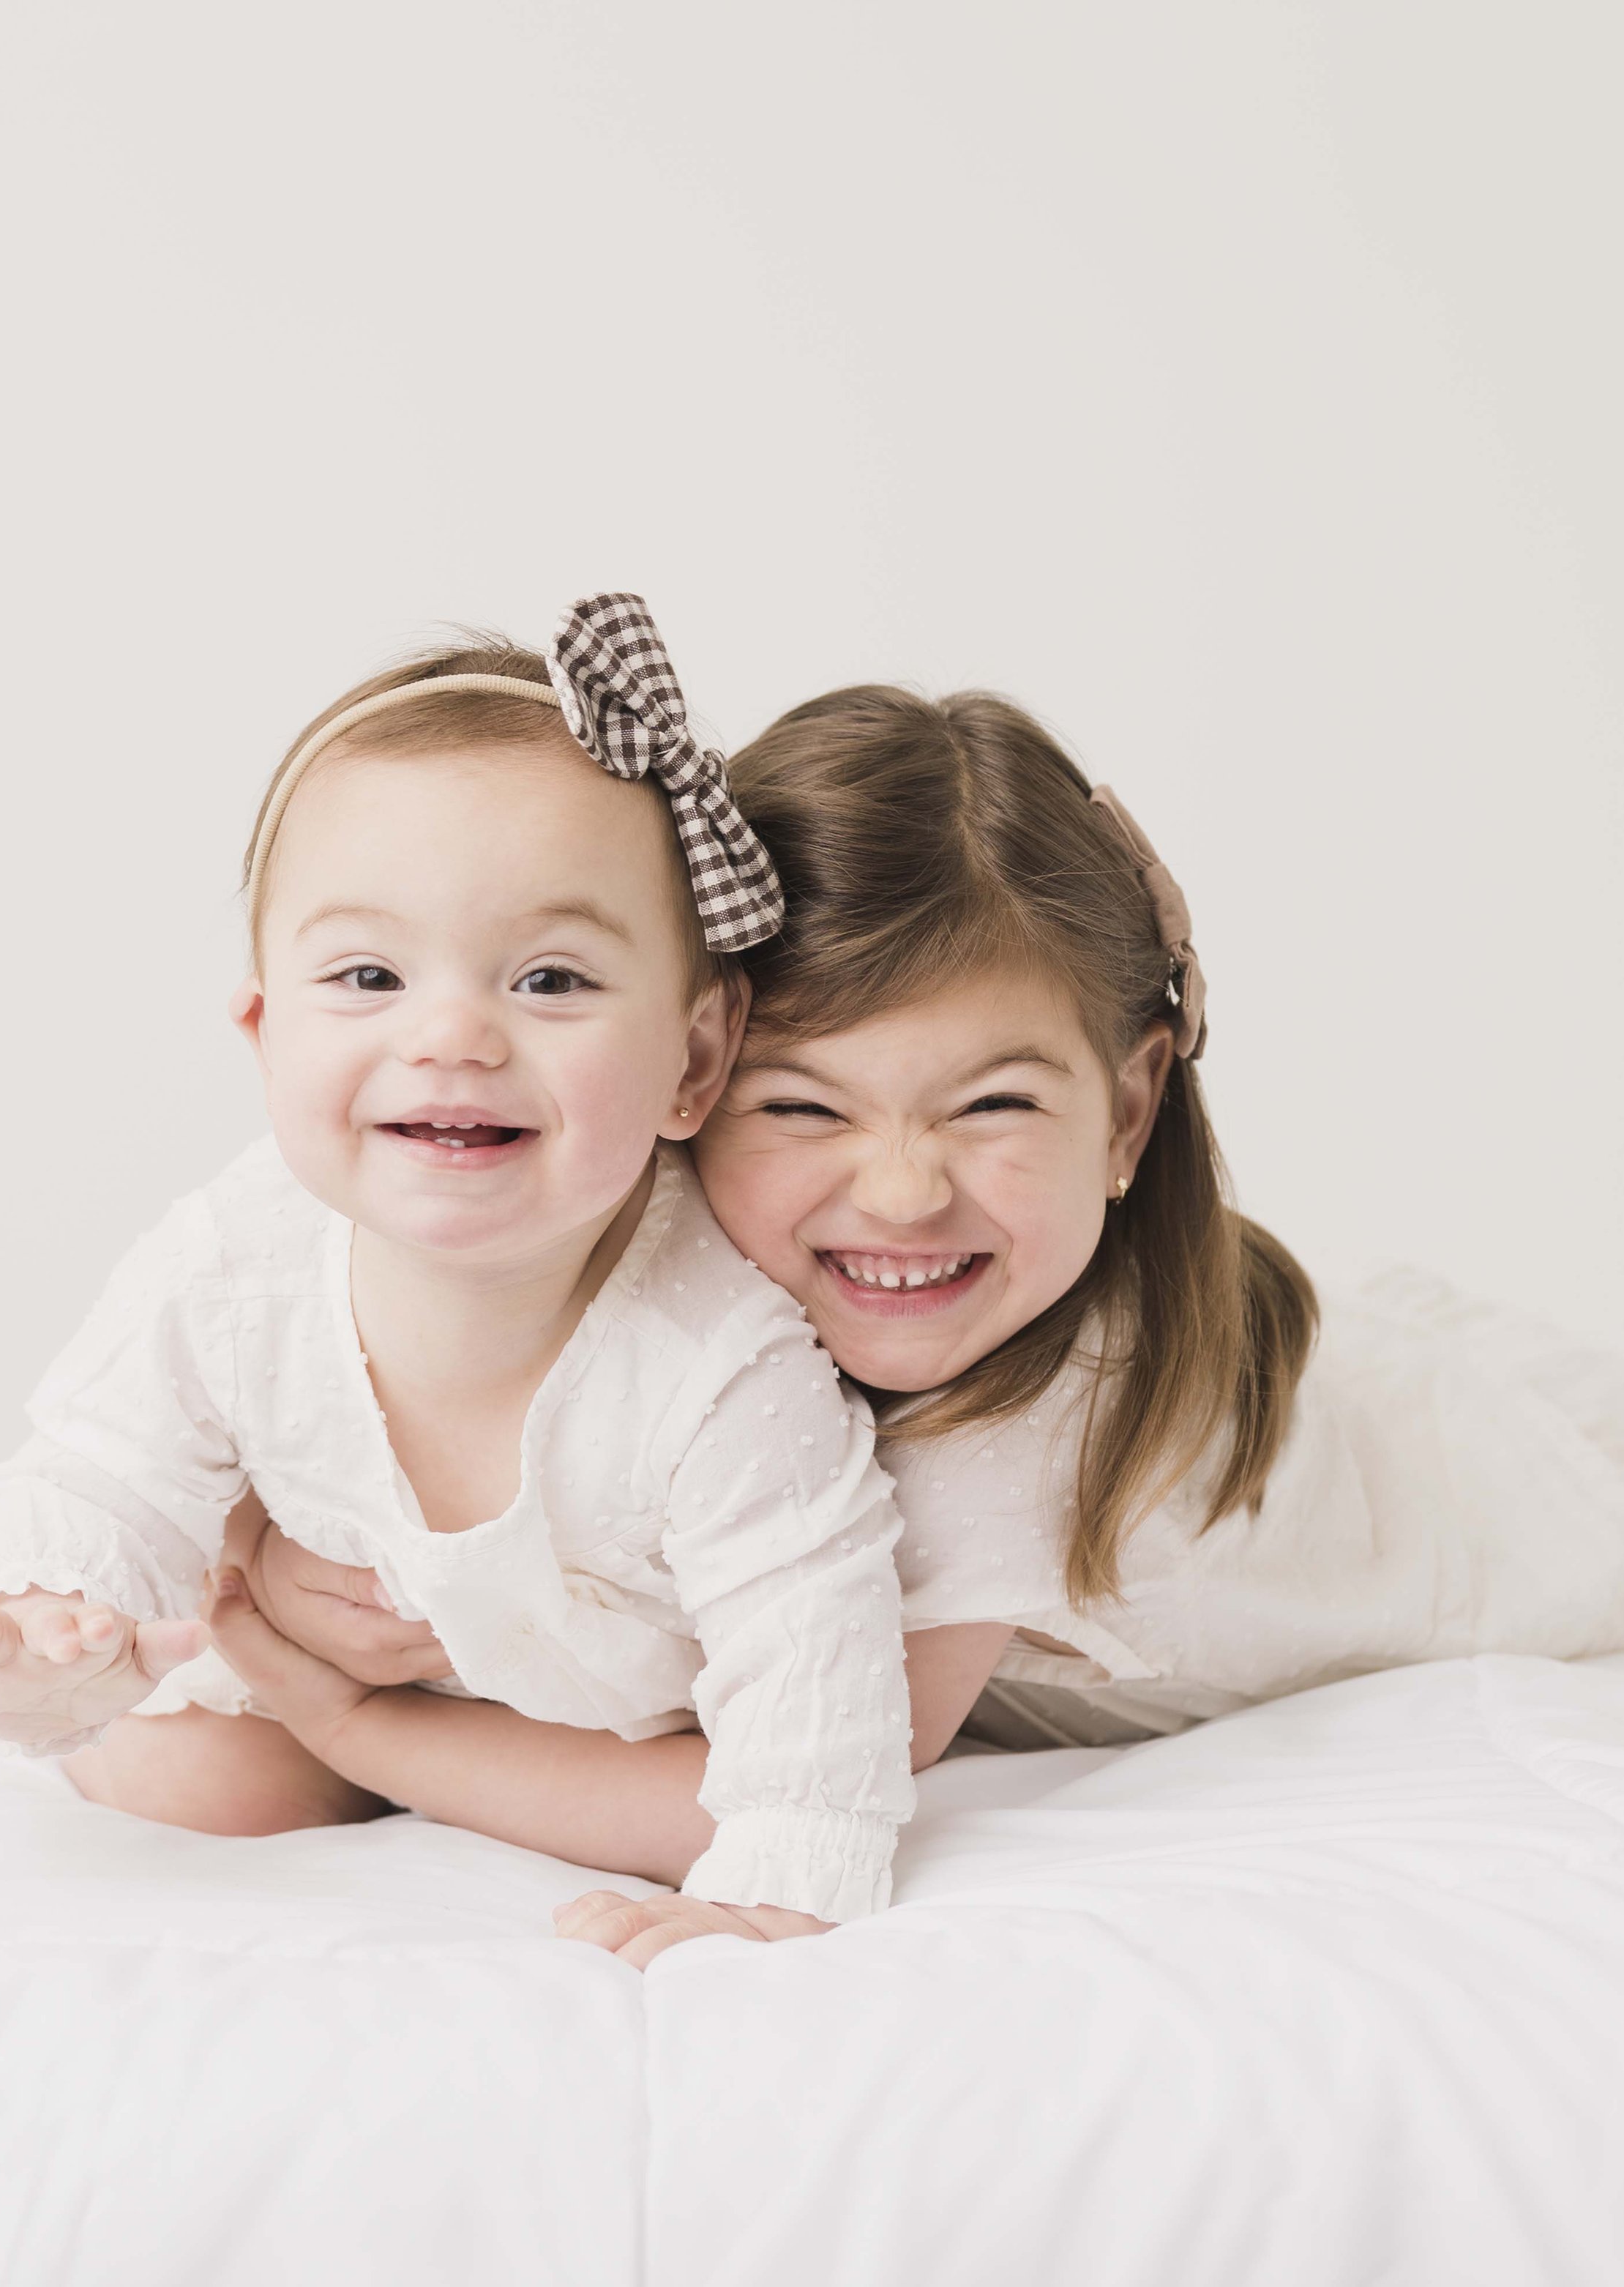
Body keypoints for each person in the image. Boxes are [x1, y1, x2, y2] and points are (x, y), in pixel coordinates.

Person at [187, 673, 1624, 1966]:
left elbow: (770, 1772)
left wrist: (360, 1723)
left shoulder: (1025, 1413)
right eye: (803, 1105)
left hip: (1514, 1500)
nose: (897, 1187)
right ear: (678, 1077)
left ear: (1125, 1107)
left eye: (990, 1104)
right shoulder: (668, 1295)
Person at [0, 597, 917, 1939]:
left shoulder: (719, 1355)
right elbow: (105, 1466)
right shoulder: (237, 1259)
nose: (452, 1034)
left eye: (553, 980)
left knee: (704, 1820)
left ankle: (433, 1779)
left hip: (605, 1733)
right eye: (370, 973)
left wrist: (786, 1880)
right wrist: (50, 1620)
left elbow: (813, 1637)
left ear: (692, 1060)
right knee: (177, 1779)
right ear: (266, 1032)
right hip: (349, 1667)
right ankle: (327, 1759)